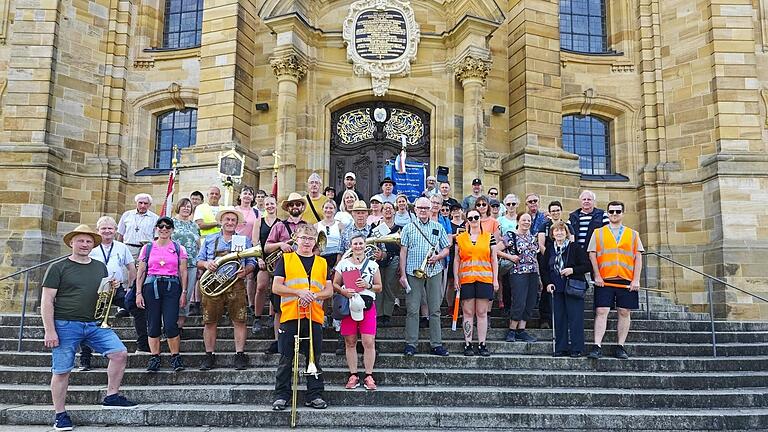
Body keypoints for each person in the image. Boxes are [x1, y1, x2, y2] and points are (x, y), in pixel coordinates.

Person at [42, 225, 136, 431]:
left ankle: (112, 395)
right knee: (62, 371)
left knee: (119, 354)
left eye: (88, 241)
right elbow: (47, 300)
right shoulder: (58, 267)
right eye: (80, 241)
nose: (85, 245)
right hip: (65, 324)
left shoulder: (99, 266)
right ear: (71, 243)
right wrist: (49, 330)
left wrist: (112, 287)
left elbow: (102, 294)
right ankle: (60, 415)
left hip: (95, 323)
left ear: (93, 244)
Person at [271, 224, 333, 411]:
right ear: (296, 238)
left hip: (314, 315)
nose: (307, 242)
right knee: (286, 358)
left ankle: (314, 395)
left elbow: (329, 289)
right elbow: (276, 287)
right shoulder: (286, 259)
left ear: (315, 242)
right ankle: (282, 395)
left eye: (311, 239)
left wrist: (314, 295)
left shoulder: (322, 263)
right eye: (304, 238)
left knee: (313, 359)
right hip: (291, 315)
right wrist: (298, 293)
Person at [197, 208, 256, 370]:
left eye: (233, 220)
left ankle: (239, 354)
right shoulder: (209, 239)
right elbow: (199, 261)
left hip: (235, 284)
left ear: (237, 223)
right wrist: (207, 264)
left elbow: (252, 261)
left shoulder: (243, 240)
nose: (230, 222)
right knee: (210, 321)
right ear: (221, 222)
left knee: (240, 320)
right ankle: (209, 355)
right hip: (214, 284)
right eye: (227, 220)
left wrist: (247, 270)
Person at [587, 201, 644, 360]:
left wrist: (636, 280)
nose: (614, 214)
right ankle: (597, 345)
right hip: (605, 279)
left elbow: (638, 257)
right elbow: (592, 254)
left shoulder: (633, 234)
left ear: (622, 213)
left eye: (617, 211)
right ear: (607, 213)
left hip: (626, 279)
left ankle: (620, 346)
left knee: (624, 312)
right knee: (601, 311)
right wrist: (597, 275)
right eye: (611, 211)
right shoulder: (598, 233)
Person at [81, 216, 136, 370]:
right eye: (103, 228)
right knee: (88, 322)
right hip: (94, 290)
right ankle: (85, 358)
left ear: (115, 230)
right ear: (98, 231)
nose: (107, 231)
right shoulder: (90, 247)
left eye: (110, 228)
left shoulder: (121, 247)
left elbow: (131, 268)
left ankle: (143, 346)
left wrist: (130, 288)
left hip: (116, 289)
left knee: (137, 308)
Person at [399, 197, 451, 356]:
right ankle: (411, 344)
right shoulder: (408, 228)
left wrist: (438, 257)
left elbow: (446, 248)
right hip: (413, 271)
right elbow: (403, 252)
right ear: (415, 209)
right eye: (420, 207)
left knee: (435, 309)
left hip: (434, 271)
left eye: (426, 207)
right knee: (413, 309)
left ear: (431, 209)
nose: (422, 210)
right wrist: (402, 274)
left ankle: (436, 344)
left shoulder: (438, 227)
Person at [136, 217, 189, 372]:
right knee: (153, 323)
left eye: (167, 227)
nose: (164, 229)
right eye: (161, 226)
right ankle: (155, 357)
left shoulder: (179, 248)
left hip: (172, 286)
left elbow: (183, 271)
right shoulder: (147, 248)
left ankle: (175, 356)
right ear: (156, 228)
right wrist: (138, 292)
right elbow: (141, 271)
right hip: (151, 286)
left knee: (171, 323)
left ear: (172, 229)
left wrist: (184, 292)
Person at [334, 233, 383, 390]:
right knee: (350, 342)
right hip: (350, 304)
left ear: (365, 245)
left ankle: (369, 375)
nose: (358, 246)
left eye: (361, 243)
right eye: (355, 243)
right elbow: (334, 284)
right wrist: (343, 292)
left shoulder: (373, 265)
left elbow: (379, 287)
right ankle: (353, 374)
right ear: (351, 245)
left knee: (369, 341)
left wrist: (367, 285)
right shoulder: (343, 264)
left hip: (367, 304)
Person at [264, 193, 309, 354]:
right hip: (283, 272)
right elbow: (267, 248)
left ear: (301, 207)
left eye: (298, 204)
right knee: (279, 309)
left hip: (303, 273)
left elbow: (315, 247)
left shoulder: (308, 226)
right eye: (292, 205)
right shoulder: (279, 226)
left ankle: (301, 342)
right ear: (288, 208)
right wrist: (281, 244)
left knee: (303, 308)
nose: (295, 207)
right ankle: (279, 341)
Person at [453, 208, 498, 357]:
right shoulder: (460, 238)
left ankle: (482, 343)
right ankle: (468, 343)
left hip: (484, 278)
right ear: (467, 220)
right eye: (470, 218)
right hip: (466, 279)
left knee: (481, 312)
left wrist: (495, 279)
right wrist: (456, 278)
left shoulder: (489, 237)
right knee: (467, 312)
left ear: (480, 218)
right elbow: (457, 259)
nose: (473, 220)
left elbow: (494, 259)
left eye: (476, 217)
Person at [542, 221, 590, 357]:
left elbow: (587, 266)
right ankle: (561, 348)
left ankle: (576, 348)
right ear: (552, 234)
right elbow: (545, 269)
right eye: (556, 231)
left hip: (573, 286)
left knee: (575, 319)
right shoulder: (550, 249)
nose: (559, 233)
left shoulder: (575, 247)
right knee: (559, 319)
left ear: (567, 233)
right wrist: (548, 283)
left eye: (562, 230)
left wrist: (572, 270)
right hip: (556, 288)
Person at [498, 212, 540, 343]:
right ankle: (512, 330)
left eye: (528, 220)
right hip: (518, 273)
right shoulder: (511, 235)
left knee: (530, 301)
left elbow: (535, 258)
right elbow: (495, 250)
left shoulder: (533, 238)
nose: (526, 222)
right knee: (519, 301)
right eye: (524, 220)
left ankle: (521, 330)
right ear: (518, 221)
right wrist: (510, 257)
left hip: (532, 273)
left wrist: (539, 277)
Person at [172, 198, 200, 336]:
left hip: (191, 264)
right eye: (183, 206)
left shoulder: (194, 226)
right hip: (172, 265)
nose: (186, 208)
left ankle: (179, 326)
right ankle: (169, 324)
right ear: (178, 207)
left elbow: (198, 245)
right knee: (172, 295)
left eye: (189, 206)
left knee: (186, 295)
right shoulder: (171, 223)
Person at [374, 202, 403, 327]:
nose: (387, 211)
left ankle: (387, 314)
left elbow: (402, 248)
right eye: (385, 208)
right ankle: (379, 314)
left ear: (394, 211)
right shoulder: (375, 227)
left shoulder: (399, 228)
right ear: (381, 211)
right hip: (378, 260)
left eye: (390, 208)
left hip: (394, 260)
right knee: (379, 288)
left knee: (390, 287)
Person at [253, 195, 279, 334]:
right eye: (267, 204)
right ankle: (257, 317)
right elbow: (255, 241)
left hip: (277, 260)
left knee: (275, 289)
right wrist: (259, 259)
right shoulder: (259, 221)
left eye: (272, 204)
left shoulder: (281, 222)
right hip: (262, 259)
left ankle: (271, 316)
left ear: (276, 205)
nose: (270, 206)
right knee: (261, 287)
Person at [116, 193, 159, 257]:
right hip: (128, 249)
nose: (143, 205)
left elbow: (156, 238)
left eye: (145, 203)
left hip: (146, 250)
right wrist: (118, 249)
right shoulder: (127, 215)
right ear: (136, 203)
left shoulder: (155, 218)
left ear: (150, 205)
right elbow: (120, 234)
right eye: (140, 203)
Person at [315, 199, 343, 270]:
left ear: (335, 210)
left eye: (331, 208)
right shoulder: (316, 226)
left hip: (336, 257)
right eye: (326, 208)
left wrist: (338, 261)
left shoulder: (340, 225)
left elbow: (342, 244)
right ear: (322, 209)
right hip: (320, 257)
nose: (328, 210)